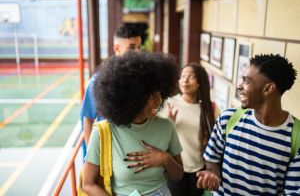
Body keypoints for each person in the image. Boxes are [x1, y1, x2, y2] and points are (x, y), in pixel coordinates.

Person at [82, 51, 184, 196]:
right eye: (151, 95)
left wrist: (165, 159)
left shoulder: (167, 127)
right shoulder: (103, 132)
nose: (159, 100)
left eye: (160, 93)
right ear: (132, 98)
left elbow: (178, 175)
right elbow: (88, 184)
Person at [196, 54, 300, 195]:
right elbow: (212, 160)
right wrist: (212, 175)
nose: (239, 85)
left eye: (247, 81)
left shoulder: (297, 137)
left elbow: (293, 192)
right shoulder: (228, 119)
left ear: (268, 88)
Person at [159, 63, 219, 196]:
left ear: (200, 82)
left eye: (191, 77)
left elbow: (215, 140)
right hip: (176, 168)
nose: (185, 80)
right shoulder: (168, 104)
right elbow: (159, 140)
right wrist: (170, 123)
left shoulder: (211, 108)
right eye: (182, 76)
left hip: (199, 168)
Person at [80, 24, 142, 154]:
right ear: (116, 48)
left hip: (134, 150)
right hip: (109, 152)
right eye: (131, 47)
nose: (137, 52)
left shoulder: (141, 77)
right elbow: (88, 119)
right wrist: (92, 155)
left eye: (139, 47)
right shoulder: (98, 81)